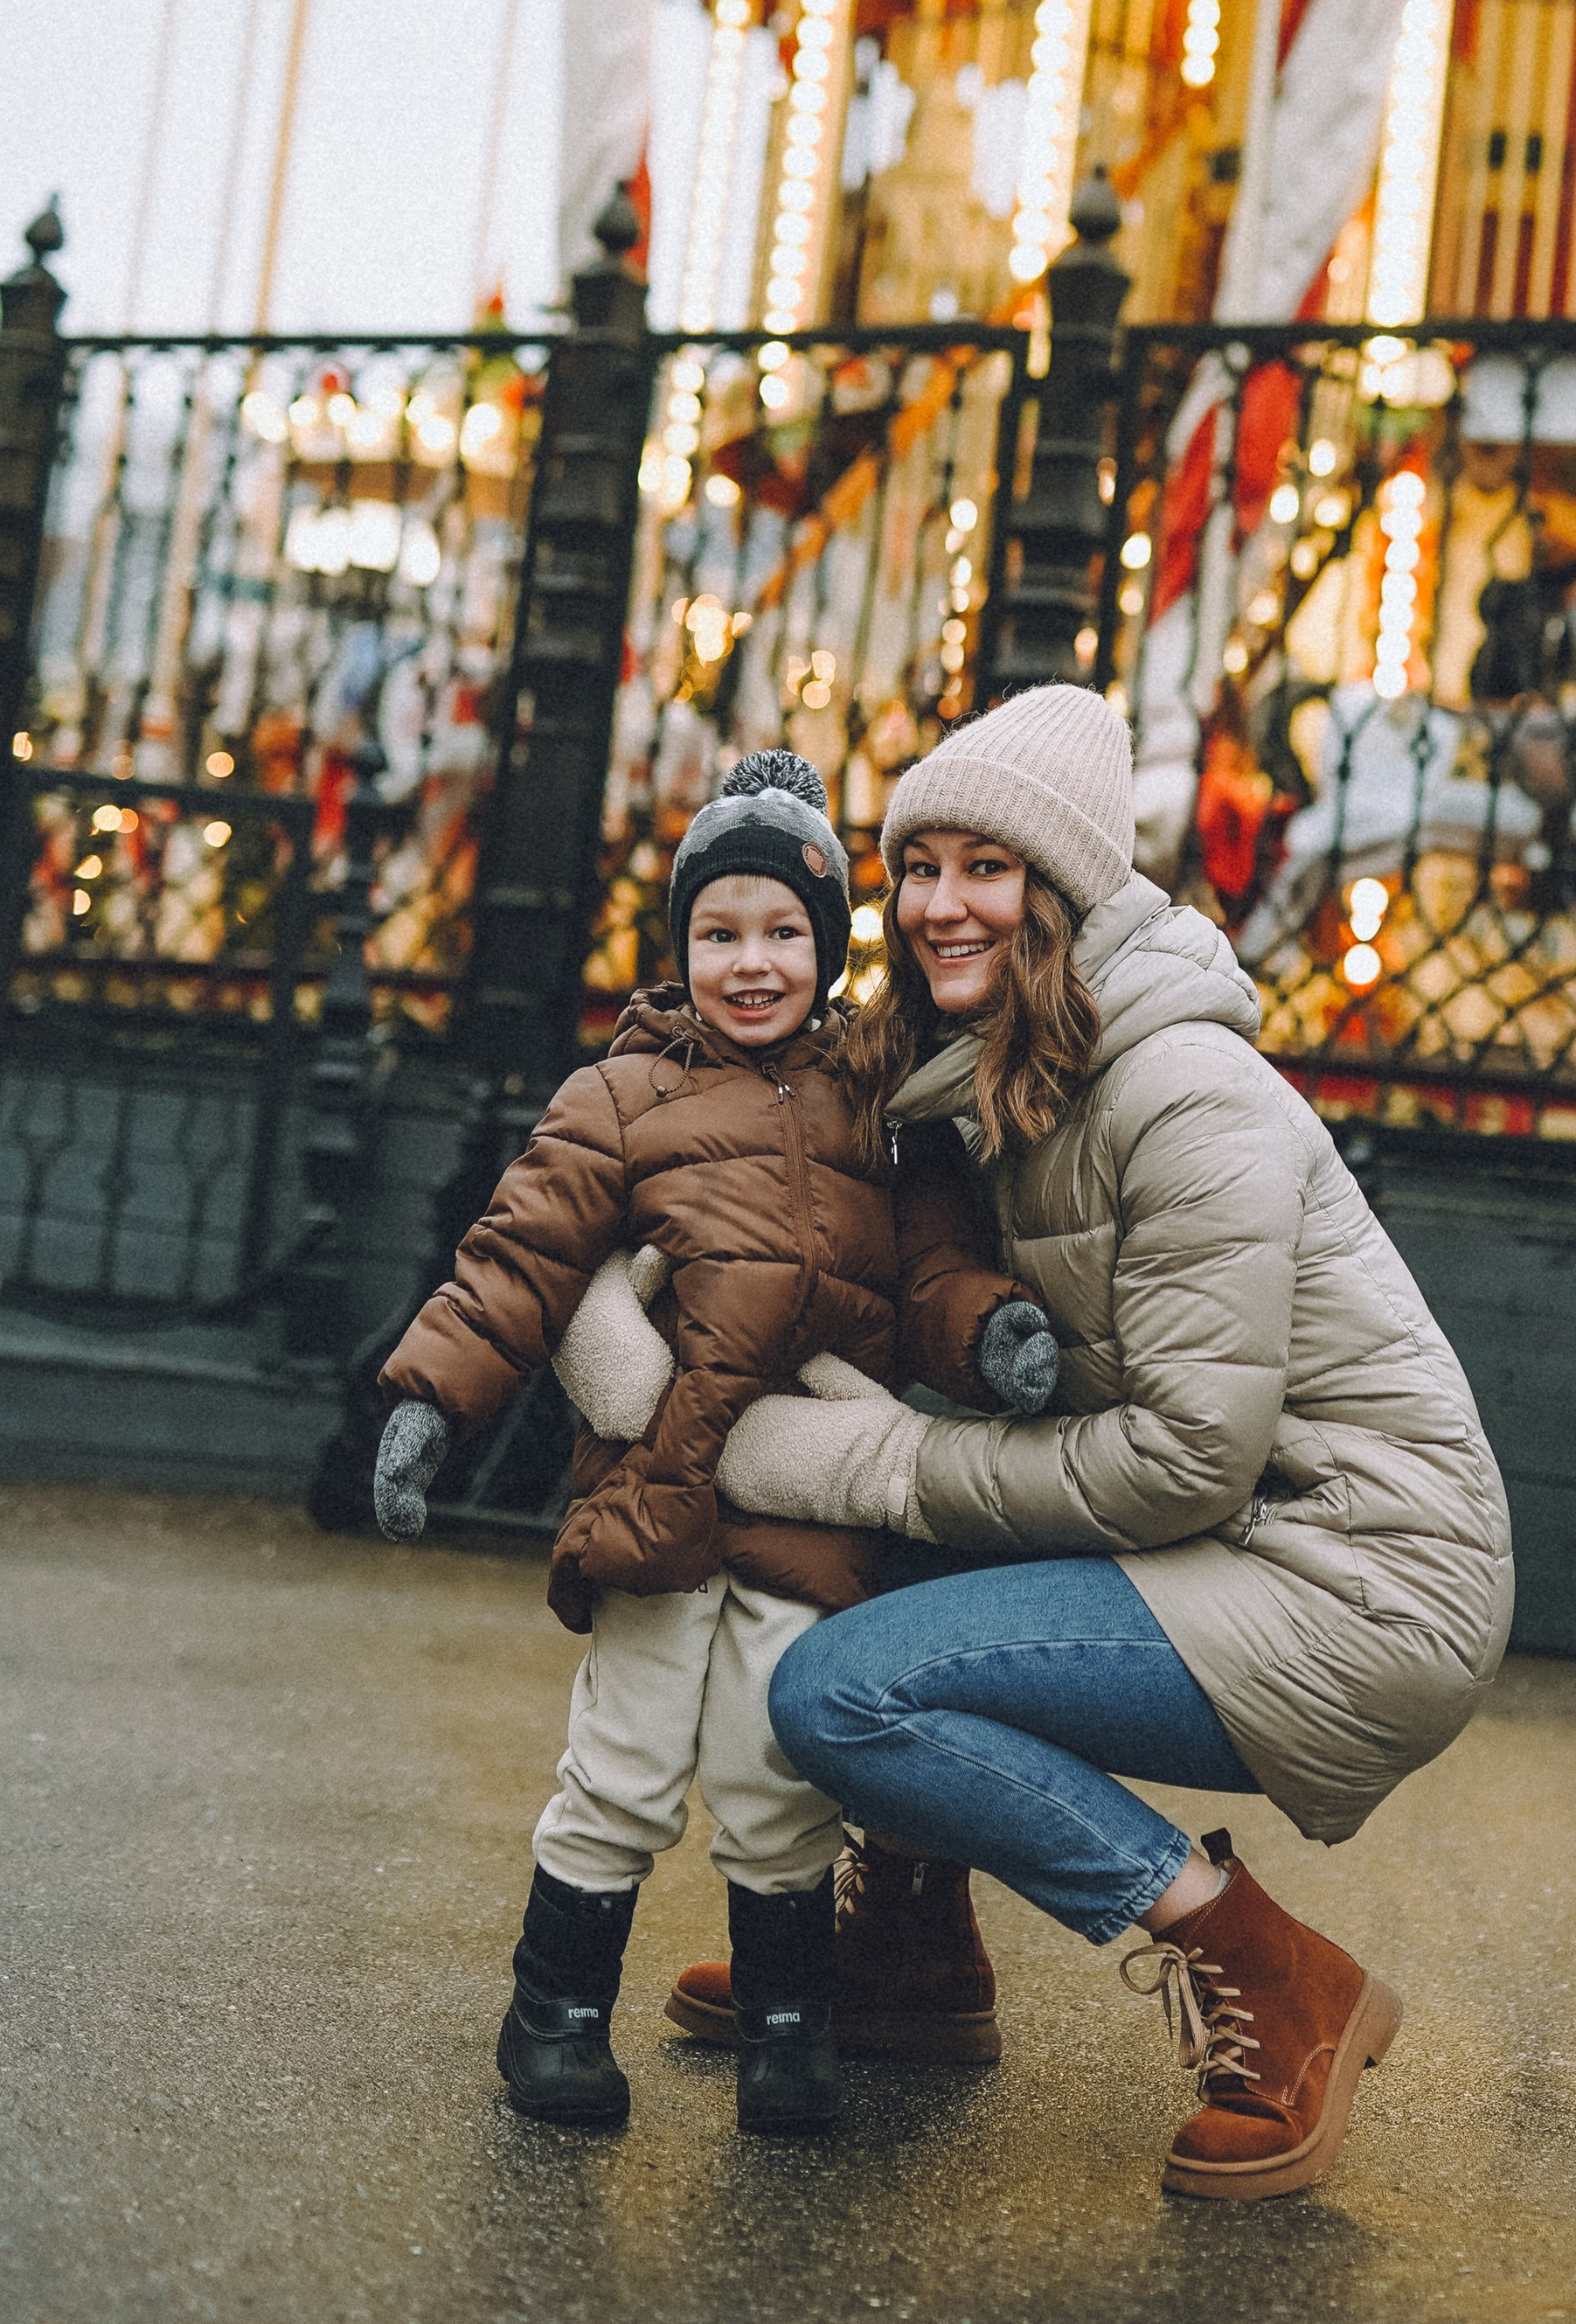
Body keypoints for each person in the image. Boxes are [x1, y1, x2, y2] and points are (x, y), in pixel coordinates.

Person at [697, 685, 1515, 2202]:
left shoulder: (1186, 1093)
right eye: (919, 865)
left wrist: (872, 1465)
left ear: (1063, 894)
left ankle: (1272, 1973)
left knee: (846, 1692)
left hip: (1357, 1582)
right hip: (1237, 1545)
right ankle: (914, 1952)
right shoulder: (1003, 1072)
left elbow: (1186, 1456)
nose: (943, 904)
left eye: (986, 868)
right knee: (883, 1567)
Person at [369, 751, 1053, 2138]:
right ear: (680, 946)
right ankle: (554, 2016)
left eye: (785, 932)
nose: (753, 964)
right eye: (720, 933)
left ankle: (791, 2033)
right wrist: (429, 1400)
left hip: (804, 1509)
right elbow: (521, 1258)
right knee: (622, 1767)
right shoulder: (618, 1097)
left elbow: (929, 1273)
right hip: (658, 1493)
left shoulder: (881, 1106)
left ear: (830, 942)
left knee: (771, 1774)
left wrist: (991, 1334)